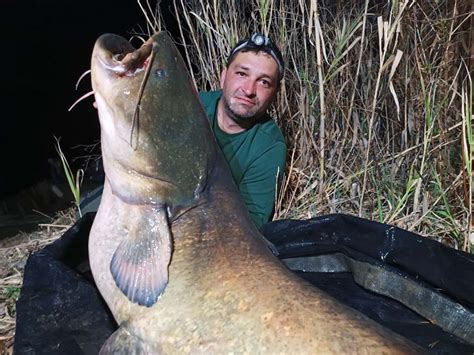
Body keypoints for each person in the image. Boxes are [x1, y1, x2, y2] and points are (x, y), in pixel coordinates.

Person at [199, 33, 286, 229]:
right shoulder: (192, 107)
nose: (249, 90)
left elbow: (249, 225)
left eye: (264, 82)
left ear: (274, 94)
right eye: (242, 74)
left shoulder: (269, 147)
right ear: (223, 76)